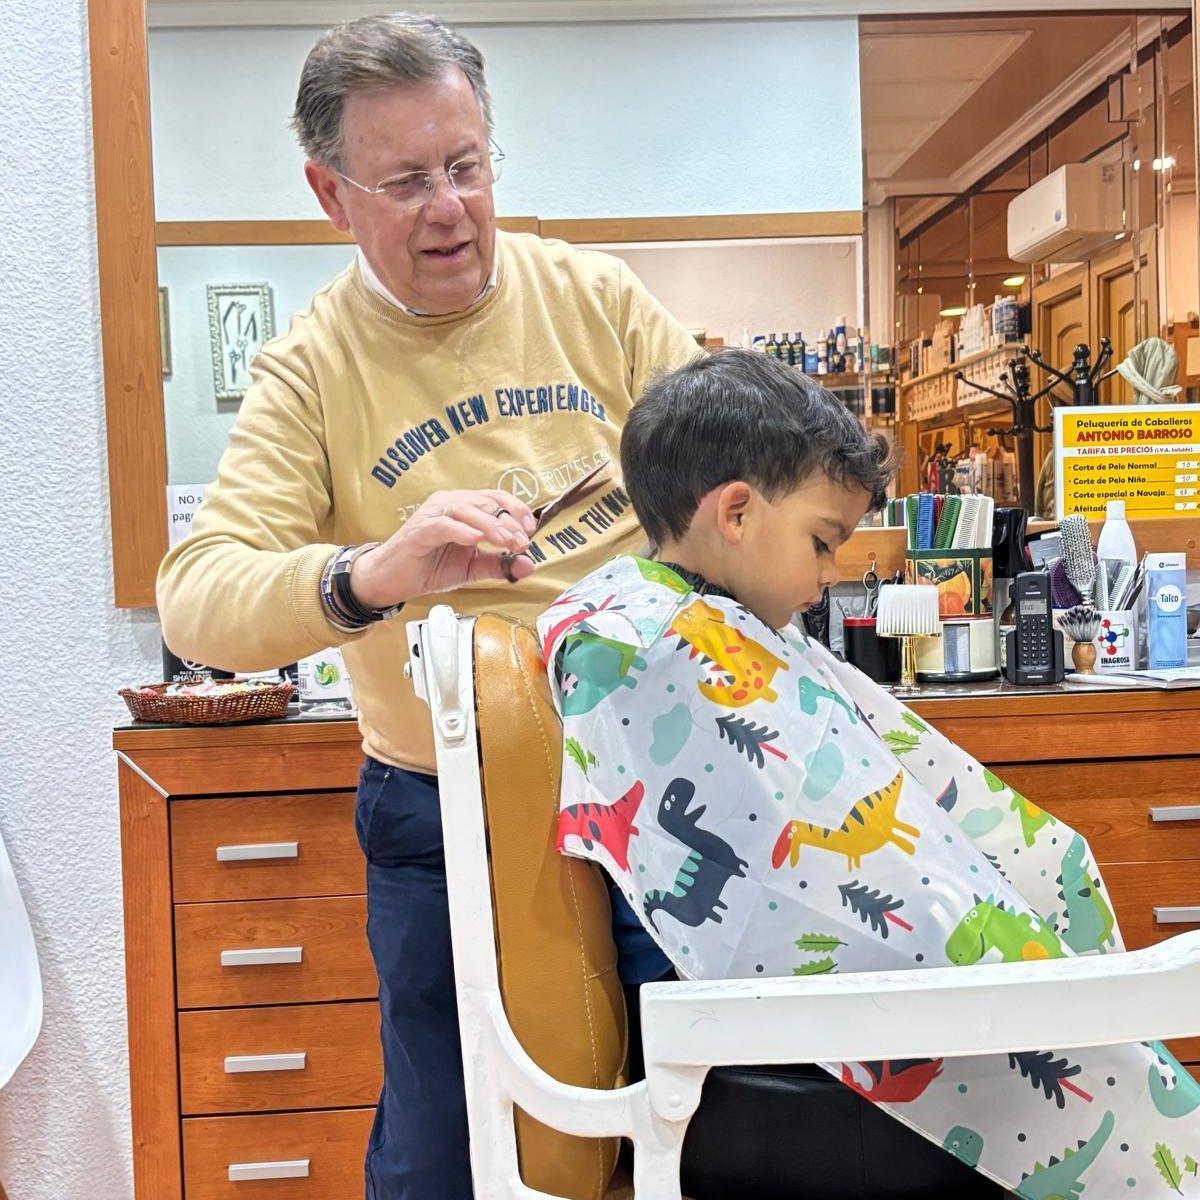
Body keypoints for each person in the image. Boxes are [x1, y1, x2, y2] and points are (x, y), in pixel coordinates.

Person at [156, 13, 699, 1198]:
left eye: (466, 166)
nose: (448, 207)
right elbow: (195, 600)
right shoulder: (310, 366)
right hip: (442, 813)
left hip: (654, 780)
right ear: (329, 193)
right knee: (454, 1154)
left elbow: (734, 473)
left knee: (695, 1129)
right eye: (404, 181)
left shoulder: (597, 299)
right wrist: (372, 574)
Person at [537, 350, 1198, 1199]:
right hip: (765, 1055)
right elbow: (833, 884)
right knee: (1108, 1060)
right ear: (735, 512)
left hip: (758, 1027)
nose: (831, 575)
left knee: (1056, 900)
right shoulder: (668, 649)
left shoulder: (654, 612)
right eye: (823, 542)